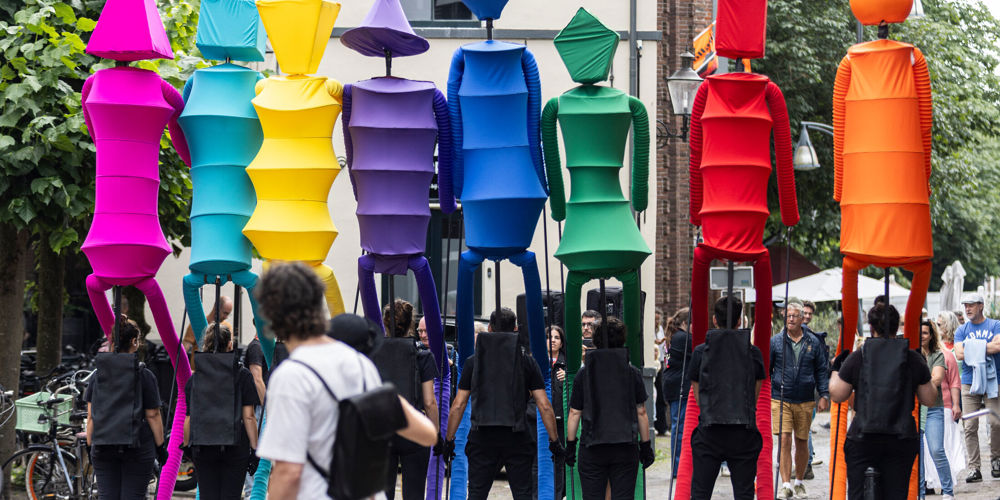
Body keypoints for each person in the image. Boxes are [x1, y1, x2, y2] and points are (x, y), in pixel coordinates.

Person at [255, 262, 436, 500]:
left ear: (273, 318)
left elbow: (288, 473)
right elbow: (427, 434)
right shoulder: (360, 364)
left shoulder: (290, 375)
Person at [440, 308, 564, 500]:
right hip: (517, 437)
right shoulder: (527, 362)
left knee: (476, 495)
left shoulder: (473, 363)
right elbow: (544, 405)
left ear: (489, 328)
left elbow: (459, 404)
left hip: (482, 437)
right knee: (523, 495)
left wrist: (448, 440)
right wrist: (555, 441)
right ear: (515, 329)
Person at [829, 303, 937, 500]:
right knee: (896, 494)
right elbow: (929, 399)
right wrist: (923, 371)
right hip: (901, 438)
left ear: (871, 327)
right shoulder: (912, 357)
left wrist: (836, 369)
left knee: (857, 494)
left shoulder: (859, 355)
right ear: (897, 327)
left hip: (863, 438)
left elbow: (837, 394)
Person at [564, 316, 652, 500]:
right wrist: (645, 445)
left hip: (592, 447)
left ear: (595, 340)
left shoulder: (584, 373)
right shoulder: (632, 372)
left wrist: (570, 445)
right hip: (625, 447)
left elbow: (574, 412)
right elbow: (641, 412)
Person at [688, 296, 765, 500]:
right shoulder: (753, 353)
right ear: (739, 321)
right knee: (744, 493)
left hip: (709, 431)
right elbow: (754, 396)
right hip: (743, 432)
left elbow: (698, 396)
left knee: (700, 493)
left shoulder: (700, 353)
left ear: (715, 320)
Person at [86, 315, 166, 499]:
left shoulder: (98, 375)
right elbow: (153, 415)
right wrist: (161, 447)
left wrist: (90, 446)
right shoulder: (144, 375)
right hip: (138, 447)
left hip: (103, 445)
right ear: (134, 342)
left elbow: (91, 416)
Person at [184, 323, 260, 500]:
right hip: (235, 446)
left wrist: (187, 446)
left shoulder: (196, 378)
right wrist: (255, 450)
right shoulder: (243, 375)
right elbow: (249, 417)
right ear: (230, 344)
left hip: (203, 445)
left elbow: (189, 417)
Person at [374, 300, 440, 500]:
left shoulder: (374, 353)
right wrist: (435, 434)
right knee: (414, 493)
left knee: (382, 494)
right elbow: (429, 402)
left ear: (385, 323)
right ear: (411, 323)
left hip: (382, 429)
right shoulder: (422, 355)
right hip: (414, 427)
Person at [770, 300, 829, 499]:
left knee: (802, 441)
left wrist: (824, 395)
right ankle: (786, 484)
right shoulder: (776, 342)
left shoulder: (813, 342)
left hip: (805, 398)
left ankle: (799, 482)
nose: (791, 319)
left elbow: (821, 370)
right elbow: (768, 369)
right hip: (781, 397)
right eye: (788, 316)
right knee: (784, 439)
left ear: (802, 318)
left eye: (795, 316)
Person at [952, 293, 1000, 482]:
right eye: (965, 305)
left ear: (981, 306)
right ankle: (974, 468)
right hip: (969, 381)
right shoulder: (961, 330)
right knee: (970, 425)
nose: (967, 309)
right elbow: (959, 353)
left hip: (993, 380)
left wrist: (971, 347)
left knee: (996, 422)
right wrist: (985, 347)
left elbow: (998, 347)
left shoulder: (995, 325)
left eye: (971, 305)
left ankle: (996, 459)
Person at [918, 319, 952, 499]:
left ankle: (948, 490)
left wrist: (915, 385)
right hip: (915, 410)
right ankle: (920, 493)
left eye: (925, 333)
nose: (921, 336)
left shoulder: (937, 355)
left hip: (933, 408)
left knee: (937, 450)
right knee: (917, 454)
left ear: (931, 335)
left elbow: (937, 379)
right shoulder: (910, 354)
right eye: (919, 332)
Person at [800, 299, 827, 479]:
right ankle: (805, 463)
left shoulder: (813, 338)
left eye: (810, 313)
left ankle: (806, 465)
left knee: (804, 427)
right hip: (802, 388)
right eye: (805, 313)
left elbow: (820, 367)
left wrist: (823, 393)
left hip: (809, 389)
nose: (807, 316)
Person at [548, 325, 568, 500]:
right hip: (541, 419)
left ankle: (558, 495)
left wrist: (568, 377)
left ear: (562, 343)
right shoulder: (538, 361)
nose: (553, 340)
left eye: (557, 337)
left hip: (560, 419)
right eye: (549, 337)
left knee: (559, 460)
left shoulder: (567, 364)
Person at [653, 308, 669, 436]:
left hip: (661, 363)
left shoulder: (660, 330)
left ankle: (662, 426)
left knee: (661, 395)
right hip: (653, 362)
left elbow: (664, 348)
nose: (657, 322)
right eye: (655, 319)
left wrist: (667, 361)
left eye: (658, 319)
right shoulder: (649, 330)